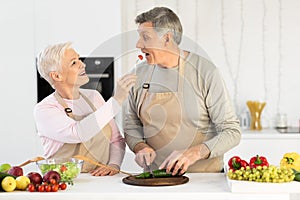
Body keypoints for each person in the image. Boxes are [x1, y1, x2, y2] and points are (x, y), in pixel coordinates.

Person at [124, 7, 241, 175]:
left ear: (167, 38)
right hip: (156, 179)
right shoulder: (138, 73)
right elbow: (131, 124)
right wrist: (139, 146)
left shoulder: (205, 72)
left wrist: (195, 153)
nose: (138, 44)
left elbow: (232, 131)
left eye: (145, 37)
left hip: (205, 179)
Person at [34, 42, 136, 176]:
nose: (83, 64)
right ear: (57, 76)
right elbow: (79, 133)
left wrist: (114, 165)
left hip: (100, 180)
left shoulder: (94, 96)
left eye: (79, 59)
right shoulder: (45, 109)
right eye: (74, 63)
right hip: (65, 183)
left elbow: (116, 139)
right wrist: (116, 101)